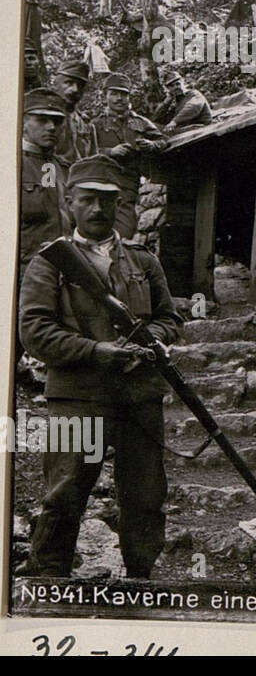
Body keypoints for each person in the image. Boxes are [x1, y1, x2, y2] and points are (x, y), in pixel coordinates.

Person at [18, 155, 184, 579]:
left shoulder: (143, 261)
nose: (97, 210)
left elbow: (169, 318)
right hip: (78, 396)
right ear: (70, 202)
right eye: (88, 200)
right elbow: (34, 331)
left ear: (119, 206)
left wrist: (155, 341)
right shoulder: (50, 263)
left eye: (106, 202)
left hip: (139, 395)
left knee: (145, 494)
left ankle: (140, 577)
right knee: (66, 491)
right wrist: (96, 351)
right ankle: (48, 580)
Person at [92, 73, 163, 239]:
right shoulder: (96, 124)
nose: (119, 99)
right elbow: (84, 152)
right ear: (105, 96)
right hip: (102, 182)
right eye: (114, 94)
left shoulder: (141, 122)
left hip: (129, 185)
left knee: (125, 231)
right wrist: (110, 152)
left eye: (123, 94)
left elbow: (163, 140)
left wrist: (152, 145)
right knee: (99, 229)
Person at [19, 88, 69, 278]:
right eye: (42, 120)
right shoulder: (12, 165)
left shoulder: (63, 168)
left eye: (57, 121)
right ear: (24, 123)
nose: (51, 127)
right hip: (25, 273)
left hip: (63, 272)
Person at [49, 59, 98, 164]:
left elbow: (93, 161)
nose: (75, 89)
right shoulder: (44, 118)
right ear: (56, 84)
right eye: (69, 83)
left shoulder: (86, 124)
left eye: (80, 85)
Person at [154, 69, 212, 133]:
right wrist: (167, 101)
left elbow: (192, 107)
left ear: (183, 82)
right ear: (168, 89)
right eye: (172, 86)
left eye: (178, 84)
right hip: (189, 131)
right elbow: (156, 118)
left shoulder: (194, 94)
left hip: (203, 129)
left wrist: (174, 122)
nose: (176, 87)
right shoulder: (176, 101)